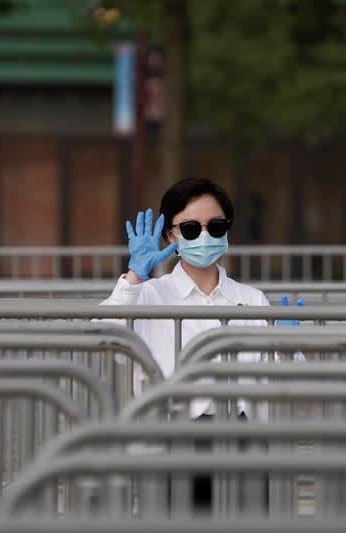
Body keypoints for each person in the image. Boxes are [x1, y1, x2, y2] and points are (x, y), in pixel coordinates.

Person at [101, 177, 301, 511]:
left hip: (245, 440)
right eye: (191, 228)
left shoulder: (252, 299)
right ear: (171, 235)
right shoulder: (147, 295)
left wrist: (285, 348)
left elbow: (288, 380)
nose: (205, 236)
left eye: (216, 226)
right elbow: (106, 335)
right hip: (172, 439)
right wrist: (133, 277)